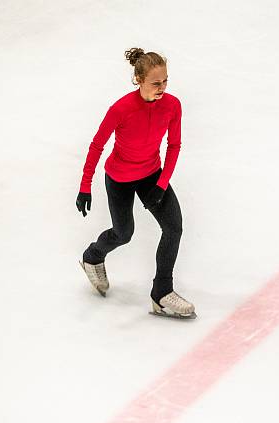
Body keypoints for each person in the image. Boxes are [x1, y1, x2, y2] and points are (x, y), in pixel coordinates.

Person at [76, 47, 195, 319]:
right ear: (139, 80)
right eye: (156, 83)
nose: (162, 87)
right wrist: (85, 186)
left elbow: (174, 145)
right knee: (123, 233)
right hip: (119, 178)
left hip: (152, 174)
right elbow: (96, 146)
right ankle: (92, 256)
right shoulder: (121, 109)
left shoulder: (172, 105)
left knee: (173, 228)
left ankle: (162, 294)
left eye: (165, 81)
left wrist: (162, 184)